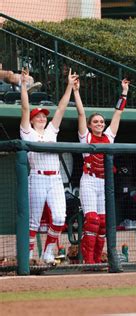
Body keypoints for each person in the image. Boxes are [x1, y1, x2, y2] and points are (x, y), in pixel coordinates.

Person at [20, 68, 76, 263]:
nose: (42, 118)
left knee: (60, 218)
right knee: (34, 220)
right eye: (38, 116)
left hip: (55, 178)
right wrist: (24, 87)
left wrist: (69, 85)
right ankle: (27, 256)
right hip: (37, 176)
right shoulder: (27, 132)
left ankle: (48, 252)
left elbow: (60, 109)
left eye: (43, 116)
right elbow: (25, 109)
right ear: (33, 120)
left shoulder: (52, 132)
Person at [74, 77, 129, 264]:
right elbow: (81, 114)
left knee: (104, 224)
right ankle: (88, 262)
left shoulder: (108, 137)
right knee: (92, 221)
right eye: (95, 122)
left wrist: (124, 93)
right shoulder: (86, 136)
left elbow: (118, 113)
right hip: (89, 180)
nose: (99, 124)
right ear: (90, 125)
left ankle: (97, 261)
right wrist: (76, 91)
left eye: (101, 122)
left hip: (104, 183)